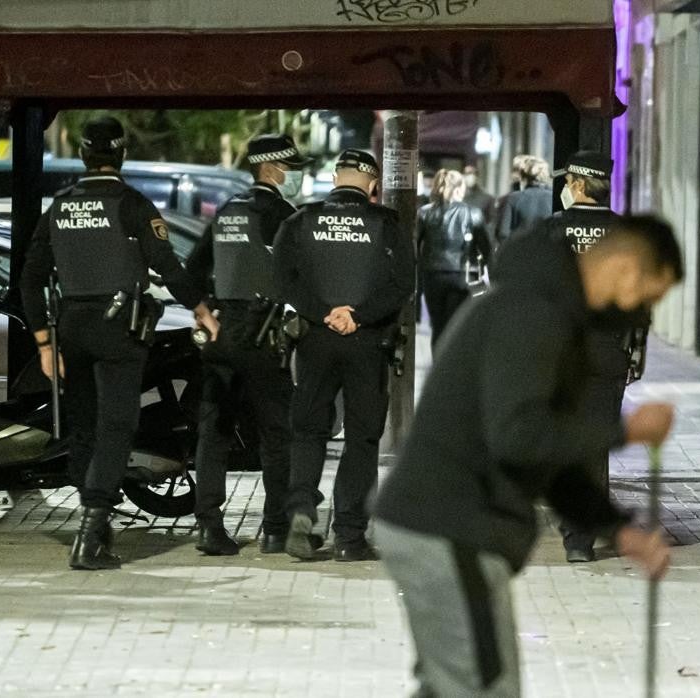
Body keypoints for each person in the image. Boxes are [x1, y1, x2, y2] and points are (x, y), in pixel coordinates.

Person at [375, 215, 680, 698]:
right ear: (625, 268)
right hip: (450, 527)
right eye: (648, 296)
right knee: (484, 688)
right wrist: (625, 429)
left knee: (451, 686)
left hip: (445, 527)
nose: (641, 313)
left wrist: (617, 529)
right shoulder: (533, 313)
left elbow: (543, 459)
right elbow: (518, 437)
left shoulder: (551, 315)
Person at [20, 116, 219, 570]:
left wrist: (45, 344)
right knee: (116, 428)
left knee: (85, 428)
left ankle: (97, 518)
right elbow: (167, 266)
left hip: (71, 328)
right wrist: (201, 309)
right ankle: (90, 535)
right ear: (121, 153)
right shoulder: (131, 204)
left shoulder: (60, 206)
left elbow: (30, 279)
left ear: (85, 153)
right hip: (118, 329)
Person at [493, 150, 644, 563]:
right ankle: (585, 533)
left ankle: (574, 535)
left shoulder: (549, 230)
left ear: (577, 184)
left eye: (566, 182)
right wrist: (634, 350)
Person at [273, 149, 414, 562]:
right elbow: (403, 282)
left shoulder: (299, 220)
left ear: (336, 177)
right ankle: (349, 537)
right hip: (366, 341)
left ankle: (301, 510)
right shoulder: (386, 224)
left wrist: (322, 313)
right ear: (372, 183)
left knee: (309, 431)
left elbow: (284, 280)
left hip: (315, 339)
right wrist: (358, 316)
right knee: (361, 438)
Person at [183, 134, 310, 556]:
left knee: (214, 431)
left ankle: (209, 527)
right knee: (277, 433)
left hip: (222, 332)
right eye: (292, 169)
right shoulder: (281, 214)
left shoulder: (226, 211)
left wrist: (203, 311)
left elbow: (193, 269)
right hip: (262, 332)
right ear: (273, 170)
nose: (295, 177)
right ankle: (274, 529)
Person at [418, 169, 492, 349]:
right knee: (457, 327)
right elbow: (486, 249)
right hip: (463, 276)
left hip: (433, 275)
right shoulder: (473, 213)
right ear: (459, 189)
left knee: (438, 326)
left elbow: (414, 245)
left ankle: (438, 370)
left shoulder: (424, 213)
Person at [495, 156, 553, 245]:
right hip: (549, 253)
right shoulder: (554, 197)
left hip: (521, 254)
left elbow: (503, 233)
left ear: (523, 179)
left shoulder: (514, 198)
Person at [462, 164, 498, 232]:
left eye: (472, 173)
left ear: (477, 177)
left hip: (479, 236)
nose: (470, 176)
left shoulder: (487, 198)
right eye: (467, 174)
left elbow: (492, 222)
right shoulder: (458, 197)